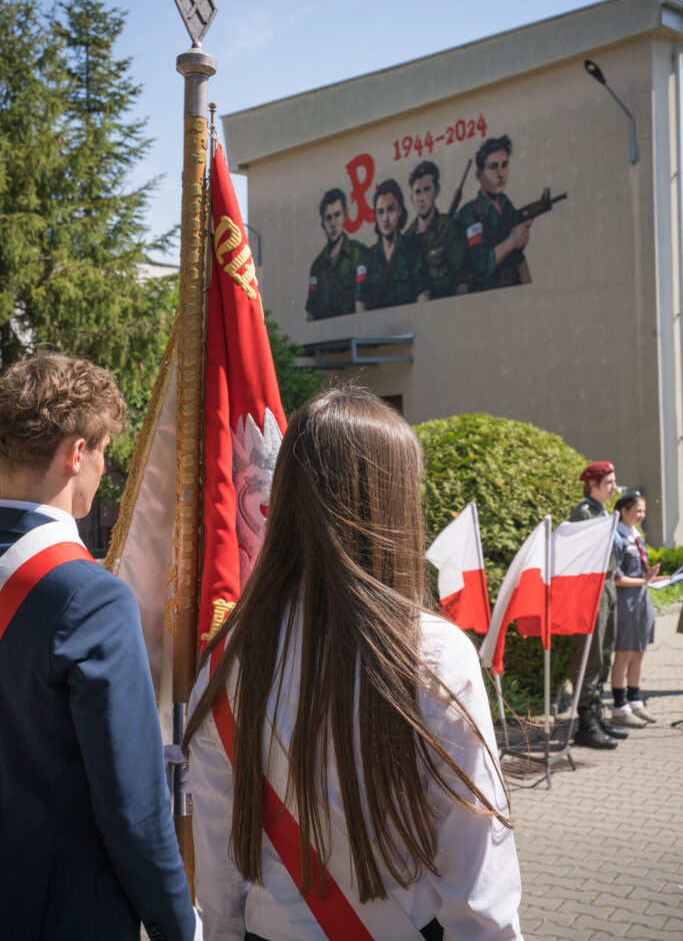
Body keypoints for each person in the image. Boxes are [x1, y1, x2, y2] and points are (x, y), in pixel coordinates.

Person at [184, 386, 523, 941]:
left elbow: (220, 871)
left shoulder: (227, 656)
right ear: (394, 503)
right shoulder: (433, 652)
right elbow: (478, 870)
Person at [0, 353, 199, 941]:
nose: (103, 467)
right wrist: (179, 926)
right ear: (77, 452)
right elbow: (132, 810)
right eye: (106, 450)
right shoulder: (90, 597)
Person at [568, 461, 626, 750]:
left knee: (604, 650)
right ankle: (585, 724)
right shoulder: (584, 513)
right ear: (592, 485)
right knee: (590, 654)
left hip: (608, 583)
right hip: (592, 588)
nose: (614, 487)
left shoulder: (602, 512)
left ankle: (596, 714)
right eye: (609, 482)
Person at [610, 492, 663, 727]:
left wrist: (652, 578)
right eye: (638, 510)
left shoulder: (636, 535)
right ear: (624, 511)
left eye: (643, 511)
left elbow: (639, 572)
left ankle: (635, 701)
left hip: (642, 600)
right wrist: (644, 580)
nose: (642, 515)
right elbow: (616, 577)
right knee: (624, 653)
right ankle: (619, 707)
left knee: (639, 651)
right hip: (626, 603)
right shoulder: (617, 537)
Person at [455, 135, 532, 291]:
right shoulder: (470, 214)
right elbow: (481, 263)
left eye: (504, 165)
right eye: (493, 167)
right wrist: (512, 241)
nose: (501, 174)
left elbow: (517, 258)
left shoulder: (506, 205)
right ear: (479, 175)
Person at [355, 178, 428, 311]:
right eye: (380, 212)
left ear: (400, 210)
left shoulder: (413, 251)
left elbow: (423, 295)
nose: (385, 218)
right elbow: (360, 302)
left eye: (390, 210)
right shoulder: (367, 258)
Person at [405, 160, 467, 299]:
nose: (421, 198)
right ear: (412, 198)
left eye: (426, 189)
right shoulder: (407, 239)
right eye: (417, 192)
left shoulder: (451, 228)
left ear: (436, 191)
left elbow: (462, 284)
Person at [306, 188, 368, 320]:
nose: (333, 223)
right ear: (323, 223)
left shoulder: (358, 253)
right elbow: (311, 313)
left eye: (337, 215)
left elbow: (364, 304)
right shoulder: (317, 267)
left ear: (345, 215)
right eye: (328, 217)